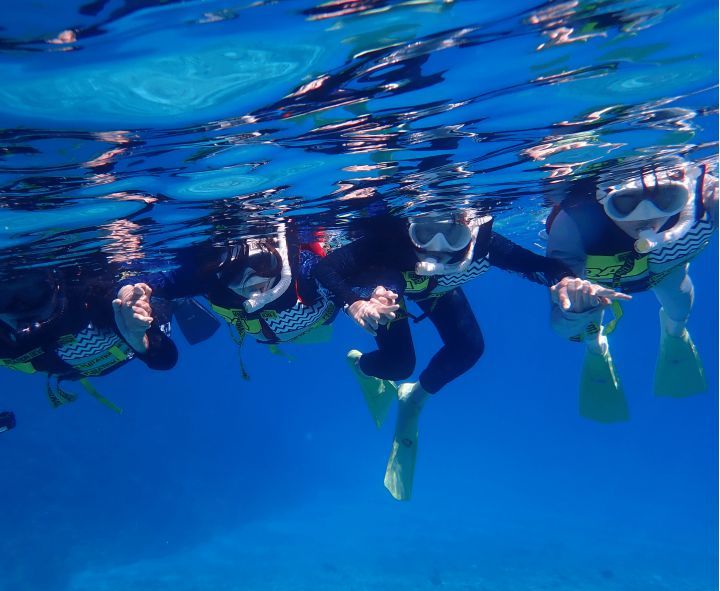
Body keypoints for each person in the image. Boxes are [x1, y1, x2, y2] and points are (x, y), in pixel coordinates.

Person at [314, 210, 612, 501]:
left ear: (469, 226)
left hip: (436, 290)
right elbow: (325, 269)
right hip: (386, 294)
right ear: (408, 227)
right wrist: (354, 303)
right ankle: (362, 366)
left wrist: (565, 280)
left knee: (469, 348)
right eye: (426, 232)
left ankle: (413, 398)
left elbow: (536, 264)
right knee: (399, 364)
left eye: (453, 234)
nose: (438, 247)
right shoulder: (387, 241)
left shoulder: (482, 242)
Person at [0, 267, 177, 447]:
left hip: (117, 344)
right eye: (3, 297)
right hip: (73, 365)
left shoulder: (88, 292)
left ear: (56, 284)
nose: (21, 309)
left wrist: (141, 338)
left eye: (33, 291)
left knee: (148, 304)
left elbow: (164, 358)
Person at [546, 157, 717, 422]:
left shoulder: (705, 201)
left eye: (665, 198)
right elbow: (559, 321)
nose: (648, 215)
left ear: (683, 188)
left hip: (664, 272)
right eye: (625, 203)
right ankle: (595, 344)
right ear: (603, 198)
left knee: (678, 301)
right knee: (584, 308)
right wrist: (573, 311)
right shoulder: (574, 220)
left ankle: (675, 331)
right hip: (598, 285)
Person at [136, 223, 338, 379]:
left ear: (278, 255)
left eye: (261, 263)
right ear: (220, 274)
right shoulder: (213, 282)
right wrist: (132, 293)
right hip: (279, 333)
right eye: (233, 274)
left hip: (312, 323)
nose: (253, 282)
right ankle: (181, 300)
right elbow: (158, 282)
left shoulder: (306, 271)